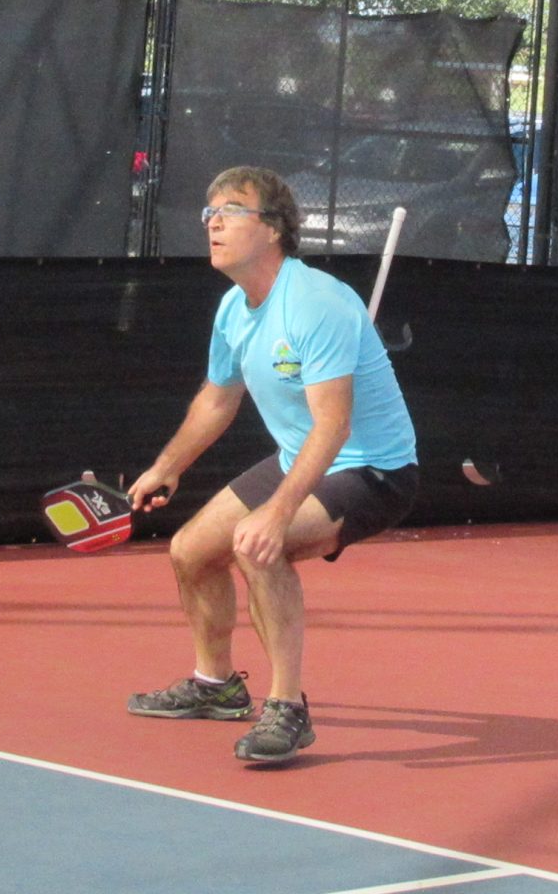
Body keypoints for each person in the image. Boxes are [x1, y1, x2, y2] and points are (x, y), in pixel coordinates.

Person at [125, 165, 419, 765]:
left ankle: (287, 709)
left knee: (258, 543)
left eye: (231, 210)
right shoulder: (235, 309)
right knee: (189, 550)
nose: (214, 223)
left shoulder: (316, 304)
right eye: (209, 212)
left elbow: (333, 427)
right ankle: (216, 686)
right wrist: (167, 466)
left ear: (275, 230)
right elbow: (217, 398)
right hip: (300, 456)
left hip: (374, 471)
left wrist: (276, 513)